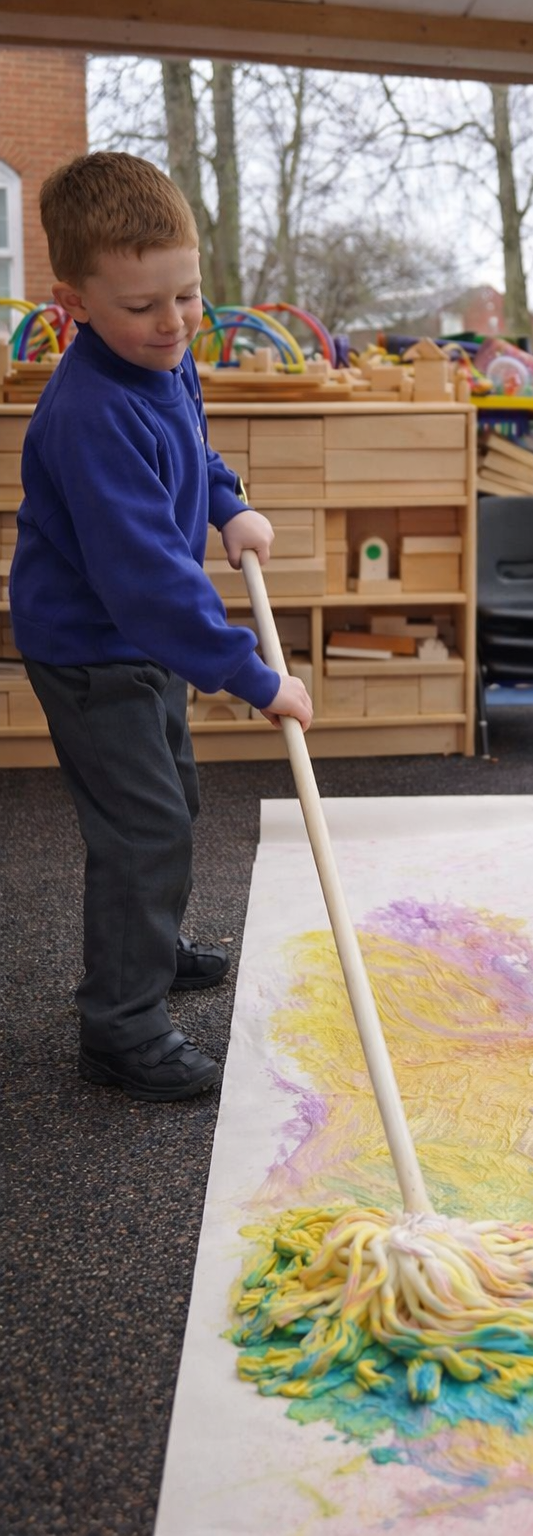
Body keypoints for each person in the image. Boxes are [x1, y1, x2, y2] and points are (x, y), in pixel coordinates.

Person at [9, 152, 314, 1100]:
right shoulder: (91, 412)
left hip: (143, 644)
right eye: (143, 306)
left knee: (172, 798)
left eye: (186, 294)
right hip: (96, 650)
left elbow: (195, 448)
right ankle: (123, 1026)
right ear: (74, 302)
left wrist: (227, 503)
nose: (174, 322)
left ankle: (155, 945)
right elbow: (145, 582)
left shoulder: (163, 361)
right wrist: (255, 674)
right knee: (142, 828)